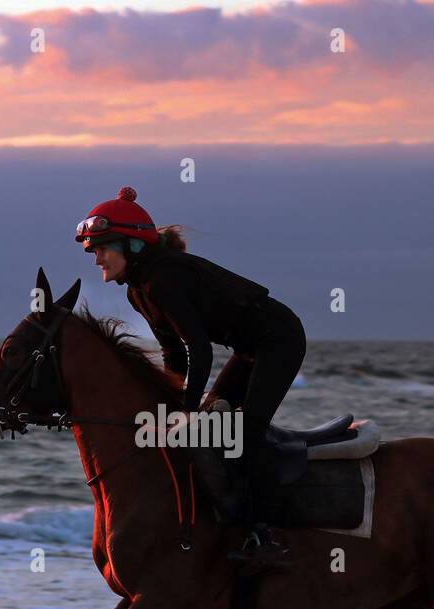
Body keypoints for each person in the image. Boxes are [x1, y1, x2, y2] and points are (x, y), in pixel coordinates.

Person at [75, 186, 307, 573]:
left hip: (278, 341)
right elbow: (175, 355)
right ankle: (221, 522)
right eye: (93, 251)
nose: (96, 258)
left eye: (101, 248)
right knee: (207, 431)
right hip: (248, 349)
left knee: (240, 434)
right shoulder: (138, 292)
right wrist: (167, 404)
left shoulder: (163, 280)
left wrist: (186, 410)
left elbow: (199, 349)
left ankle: (266, 535)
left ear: (130, 246)